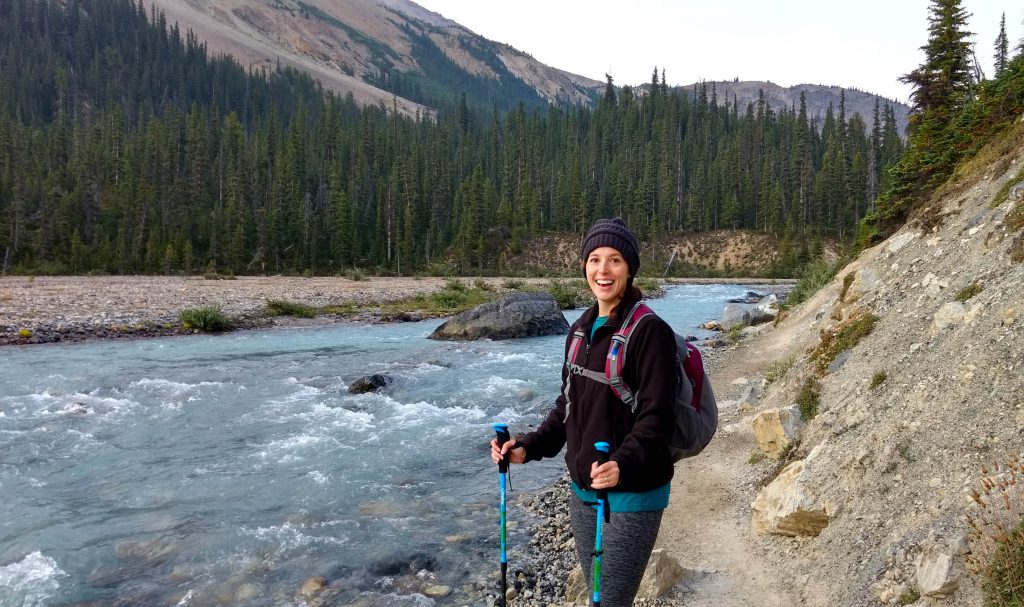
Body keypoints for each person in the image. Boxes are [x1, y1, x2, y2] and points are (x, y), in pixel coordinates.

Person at [490, 217, 678, 606]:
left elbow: (658, 417)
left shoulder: (649, 331)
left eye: (614, 261)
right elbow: (568, 406)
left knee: (609, 601)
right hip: (583, 490)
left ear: (629, 268)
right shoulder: (579, 330)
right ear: (584, 267)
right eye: (594, 259)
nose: (603, 270)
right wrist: (528, 446)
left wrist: (621, 464)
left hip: (631, 493)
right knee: (597, 598)